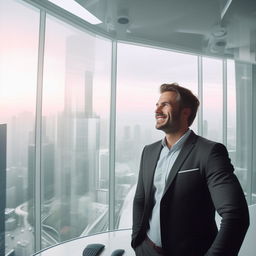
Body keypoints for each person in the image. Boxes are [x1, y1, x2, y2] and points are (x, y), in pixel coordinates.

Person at [131, 83, 249, 256]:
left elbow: (235, 215)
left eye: (165, 104)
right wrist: (137, 242)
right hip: (147, 250)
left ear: (185, 112)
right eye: (157, 105)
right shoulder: (148, 152)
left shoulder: (209, 152)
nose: (157, 110)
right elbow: (141, 199)